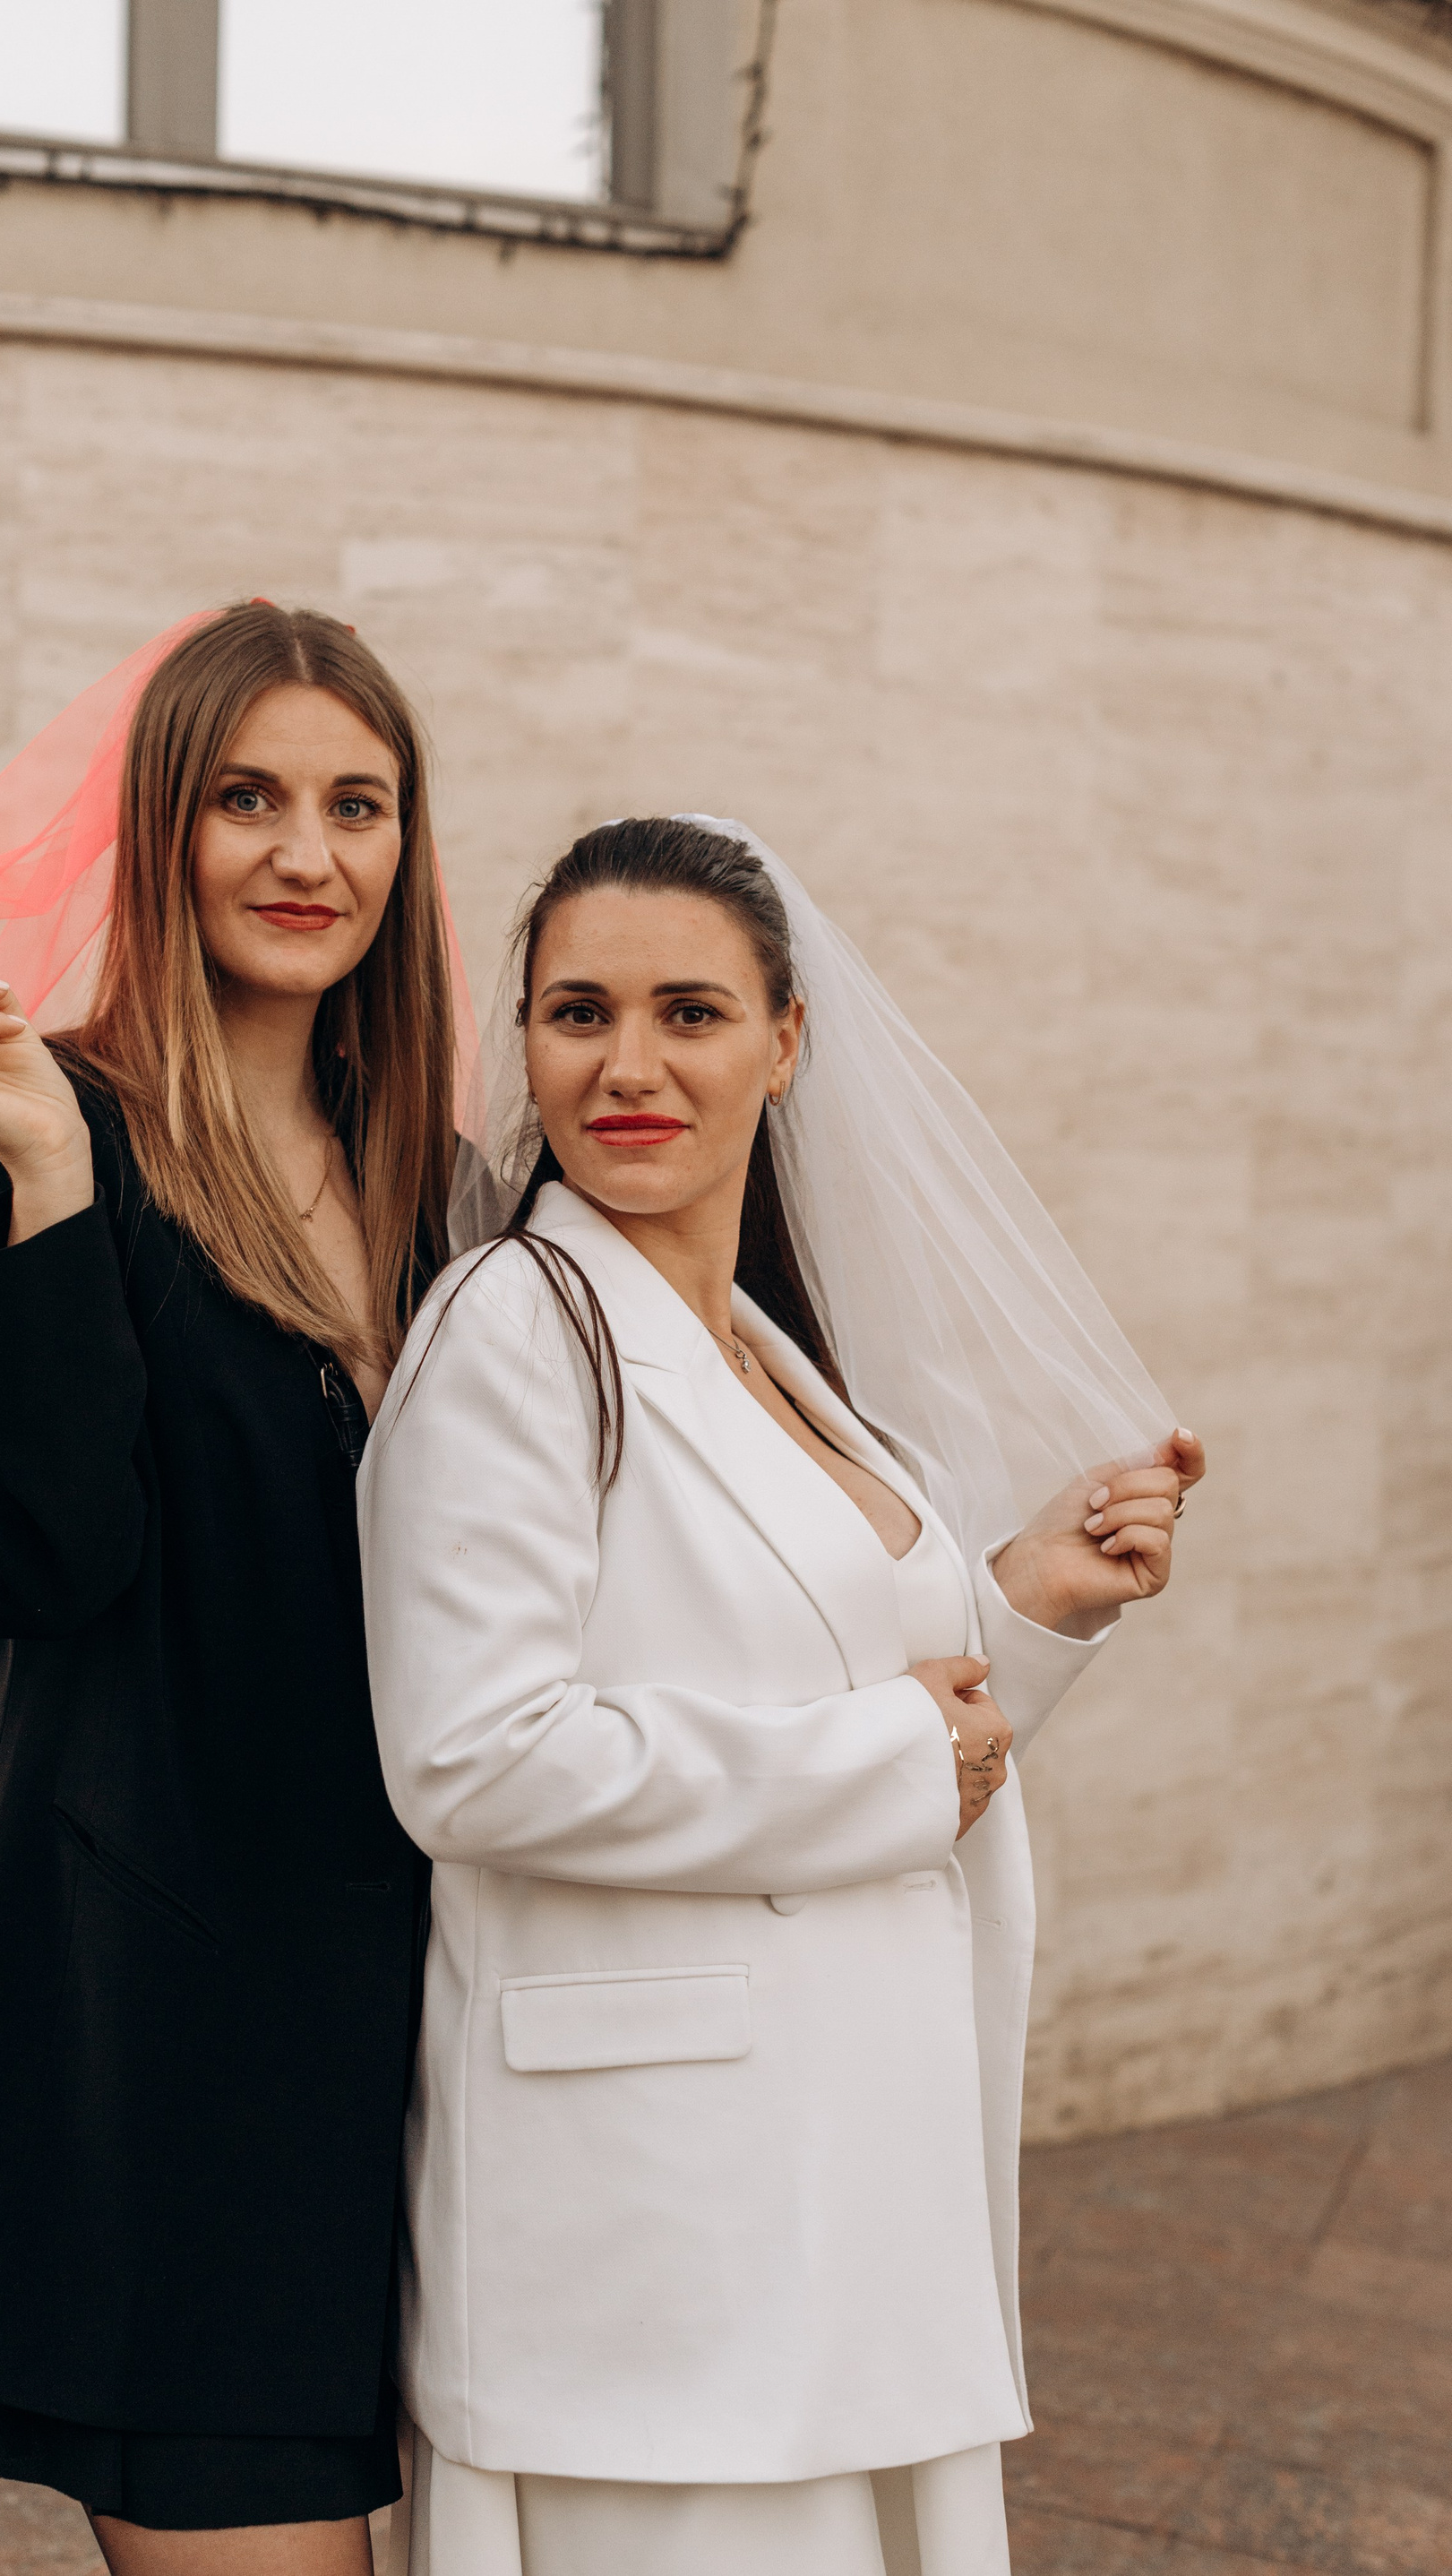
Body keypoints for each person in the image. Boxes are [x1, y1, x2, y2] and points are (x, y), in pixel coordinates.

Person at [357, 815, 1205, 2576]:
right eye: (580, 1013)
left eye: (691, 1011)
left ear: (786, 1040)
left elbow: (867, 1709)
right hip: (660, 2213)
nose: (630, 1065)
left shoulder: (763, 1346)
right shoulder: (512, 1327)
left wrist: (1028, 1600)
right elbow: (471, 1760)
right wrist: (895, 1756)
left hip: (853, 2174)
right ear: (527, 1042)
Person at [0, 603, 464, 2574]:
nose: (308, 854)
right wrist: (50, 1185)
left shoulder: (443, 1178)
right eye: (248, 798)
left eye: (356, 804)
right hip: (169, 2013)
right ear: (164, 827)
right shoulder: (29, 1130)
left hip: (434, 2002)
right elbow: (31, 1556)